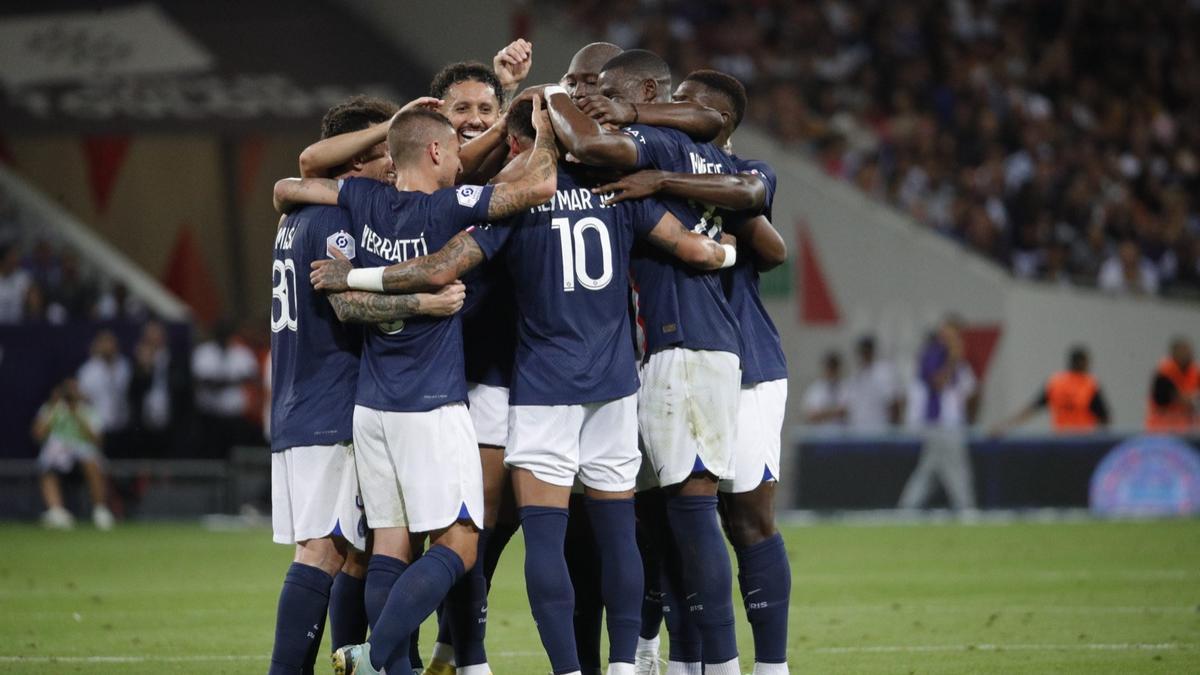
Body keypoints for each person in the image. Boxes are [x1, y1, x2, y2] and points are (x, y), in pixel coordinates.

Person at [308, 92, 732, 675]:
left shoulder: (509, 209)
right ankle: (628, 666)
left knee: (542, 541)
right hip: (613, 384)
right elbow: (691, 248)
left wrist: (351, 274)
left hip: (540, 386)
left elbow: (442, 267)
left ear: (522, 142)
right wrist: (723, 250)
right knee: (617, 536)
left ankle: (560, 670)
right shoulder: (619, 191)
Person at [273, 99, 559, 675]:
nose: (385, 162)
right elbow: (536, 187)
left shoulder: (357, 203)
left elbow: (291, 181)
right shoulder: (429, 208)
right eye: (452, 149)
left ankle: (392, 665)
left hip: (359, 405)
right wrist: (547, 125)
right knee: (453, 544)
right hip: (410, 403)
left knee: (385, 547)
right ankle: (376, 654)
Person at [544, 49, 743, 675]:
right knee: (674, 521)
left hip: (678, 347)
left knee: (689, 517)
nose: (595, 100)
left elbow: (589, 148)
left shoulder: (652, 142)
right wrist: (723, 249)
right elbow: (744, 194)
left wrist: (550, 97)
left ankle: (720, 664)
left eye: (605, 90)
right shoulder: (717, 154)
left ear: (647, 93)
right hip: (701, 344)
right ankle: (684, 661)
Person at [588, 68, 792, 675]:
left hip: (745, 361)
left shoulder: (747, 172)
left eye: (685, 105)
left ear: (716, 119)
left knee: (746, 518)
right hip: (655, 357)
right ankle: (682, 658)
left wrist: (671, 179)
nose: (672, 111)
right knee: (667, 519)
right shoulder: (655, 159)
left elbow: (766, 229)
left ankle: (771, 666)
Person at [266, 95, 469, 675]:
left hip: (299, 398)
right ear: (354, 160)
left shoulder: (294, 216)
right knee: (325, 548)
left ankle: (361, 663)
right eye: (378, 151)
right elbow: (349, 303)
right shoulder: (334, 219)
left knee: (357, 550)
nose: (388, 162)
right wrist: (426, 303)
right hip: (329, 401)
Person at [899, 317, 978, 511]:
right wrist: (952, 358)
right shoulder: (932, 354)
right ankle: (967, 510)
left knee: (928, 471)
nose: (957, 339)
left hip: (951, 423)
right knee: (957, 471)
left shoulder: (958, 361)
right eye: (952, 334)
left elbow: (971, 390)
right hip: (939, 424)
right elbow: (938, 383)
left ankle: (906, 509)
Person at [33, 378, 114, 530]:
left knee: (92, 462)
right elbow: (38, 434)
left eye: (74, 391)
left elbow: (97, 440)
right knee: (47, 467)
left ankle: (100, 510)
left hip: (82, 454)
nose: (70, 395)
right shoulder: (51, 409)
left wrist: (77, 414)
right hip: (58, 455)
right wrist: (54, 410)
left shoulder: (88, 410)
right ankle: (56, 511)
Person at [990, 346, 1110, 435]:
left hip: (1060, 438)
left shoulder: (1055, 383)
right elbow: (1105, 418)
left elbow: (1031, 409)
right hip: (1085, 440)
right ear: (1083, 363)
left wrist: (1004, 426)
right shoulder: (1090, 384)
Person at [192, 320, 260, 458]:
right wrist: (235, 381)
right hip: (209, 417)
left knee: (235, 455)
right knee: (210, 455)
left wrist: (223, 382)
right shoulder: (203, 352)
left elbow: (253, 378)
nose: (223, 337)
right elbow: (204, 382)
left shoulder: (242, 353)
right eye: (221, 334)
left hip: (235, 418)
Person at [76, 330, 132, 458]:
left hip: (122, 425)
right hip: (99, 427)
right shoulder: (88, 370)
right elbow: (82, 401)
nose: (108, 346)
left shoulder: (125, 366)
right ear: (98, 345)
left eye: (111, 342)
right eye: (105, 342)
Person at [844, 336, 904, 433]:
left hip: (880, 432)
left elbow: (894, 402)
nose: (862, 355)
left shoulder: (884, 371)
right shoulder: (856, 376)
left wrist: (895, 431)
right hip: (858, 432)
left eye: (865, 351)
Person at [1146, 337, 1198, 433]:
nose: (1187, 355)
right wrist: (1188, 398)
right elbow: (1162, 398)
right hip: (1162, 430)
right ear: (1174, 354)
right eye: (1183, 351)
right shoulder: (1164, 373)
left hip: (1188, 430)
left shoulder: (1195, 372)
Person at [800, 352, 849, 431]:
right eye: (830, 368)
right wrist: (835, 412)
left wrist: (823, 413)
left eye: (834, 368)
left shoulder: (846, 388)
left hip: (842, 437)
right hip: (820, 437)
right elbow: (811, 415)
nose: (832, 371)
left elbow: (847, 412)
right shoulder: (815, 390)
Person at [0, 242, 32, 323]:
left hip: (17, 328)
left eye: (16, 256)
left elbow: (33, 304)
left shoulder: (23, 278)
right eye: (12, 256)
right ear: (3, 258)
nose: (16, 259)